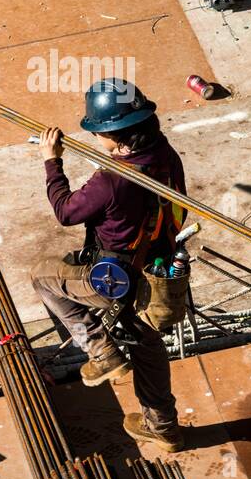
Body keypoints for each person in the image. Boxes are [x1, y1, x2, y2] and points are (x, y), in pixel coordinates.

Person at [30, 77, 187, 452]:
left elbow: (66, 212)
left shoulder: (111, 181)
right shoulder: (165, 156)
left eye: (98, 133)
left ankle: (101, 350)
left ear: (116, 138)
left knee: (42, 276)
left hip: (117, 279)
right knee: (147, 346)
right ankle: (163, 427)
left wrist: (52, 162)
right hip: (159, 274)